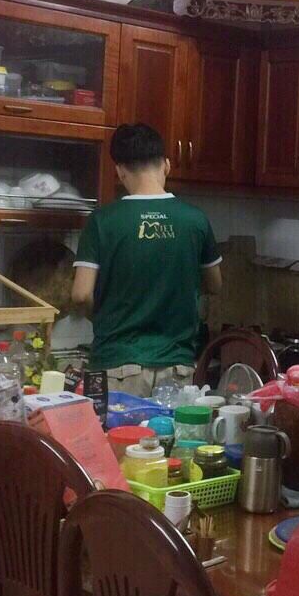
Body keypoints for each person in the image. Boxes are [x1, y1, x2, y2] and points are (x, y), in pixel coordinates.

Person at [72, 122, 221, 396]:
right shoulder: (195, 219)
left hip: (115, 365)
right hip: (177, 367)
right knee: (174, 427)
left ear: (120, 170)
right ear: (166, 165)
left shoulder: (102, 221)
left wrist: (106, 317)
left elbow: (81, 295)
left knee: (111, 427)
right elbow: (215, 284)